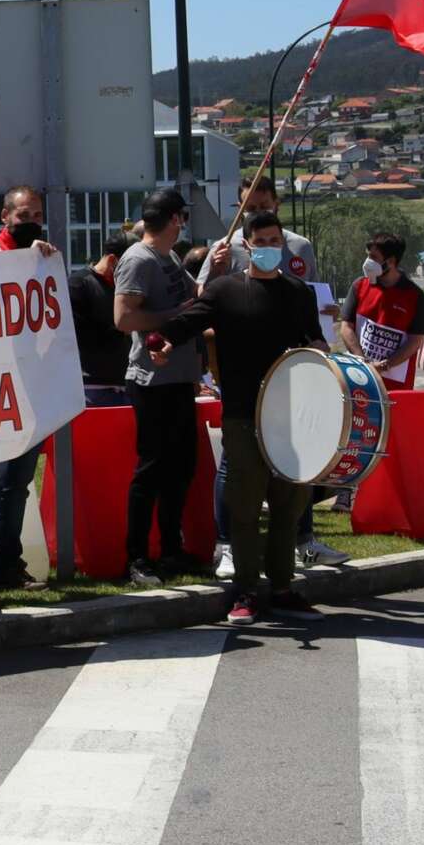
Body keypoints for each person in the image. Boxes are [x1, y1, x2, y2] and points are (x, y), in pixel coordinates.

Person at [151, 211, 327, 625]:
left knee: (289, 503)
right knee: (245, 506)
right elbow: (186, 322)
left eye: (275, 241)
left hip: (293, 414)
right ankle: (245, 590)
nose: (270, 248)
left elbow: (312, 338)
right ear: (247, 246)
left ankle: (283, 588)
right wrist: (160, 343)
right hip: (244, 415)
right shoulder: (226, 290)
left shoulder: (299, 293)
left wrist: (322, 349)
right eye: (262, 241)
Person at [196, 176, 343, 576]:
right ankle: (227, 546)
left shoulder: (298, 247)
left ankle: (303, 540)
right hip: (242, 377)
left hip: (290, 379)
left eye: (264, 205)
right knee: (237, 464)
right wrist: (217, 270)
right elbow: (203, 303)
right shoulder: (224, 249)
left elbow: (308, 297)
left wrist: (320, 329)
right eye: (248, 207)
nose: (257, 214)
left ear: (277, 205)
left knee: (297, 463)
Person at [0, 188, 60, 610]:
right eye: (24, 214)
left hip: (29, 387)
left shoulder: (45, 258)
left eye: (38, 214)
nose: (32, 220)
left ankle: (9, 562)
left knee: (18, 482)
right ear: (5, 215)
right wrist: (24, 260)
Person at [112, 189, 202, 589]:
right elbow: (124, 318)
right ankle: (136, 558)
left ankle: (170, 548)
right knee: (151, 469)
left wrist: (212, 270)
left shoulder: (169, 258)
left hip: (180, 377)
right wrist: (173, 316)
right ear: (175, 219)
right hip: (153, 381)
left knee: (180, 469)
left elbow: (195, 299)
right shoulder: (138, 259)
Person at [340, 231, 424, 387]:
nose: (368, 262)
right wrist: (364, 363)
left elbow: (415, 341)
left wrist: (385, 365)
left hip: (396, 386)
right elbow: (346, 327)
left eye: (374, 258)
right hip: (360, 379)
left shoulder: (415, 296)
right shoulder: (359, 286)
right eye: (368, 256)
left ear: (390, 262)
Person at [71, 231, 138, 408]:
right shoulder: (79, 284)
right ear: (112, 261)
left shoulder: (125, 289)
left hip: (126, 386)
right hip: (92, 389)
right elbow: (76, 337)